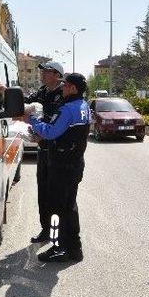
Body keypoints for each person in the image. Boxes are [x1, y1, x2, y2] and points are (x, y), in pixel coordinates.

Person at [0, 61, 65, 244]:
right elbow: (24, 102)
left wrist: (46, 135)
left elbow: (63, 126)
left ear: (57, 74)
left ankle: (59, 235)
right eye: (41, 71)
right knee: (43, 192)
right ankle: (46, 230)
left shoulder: (64, 94)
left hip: (58, 151)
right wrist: (6, 91)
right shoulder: (43, 91)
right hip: (43, 150)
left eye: (46, 71)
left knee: (56, 195)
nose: (42, 74)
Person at [26, 72, 90, 263]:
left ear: (73, 88)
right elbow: (66, 133)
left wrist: (31, 120)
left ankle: (58, 247)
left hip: (62, 166)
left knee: (56, 209)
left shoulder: (68, 109)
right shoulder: (83, 106)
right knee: (69, 207)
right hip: (74, 164)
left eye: (65, 85)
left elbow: (51, 131)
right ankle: (74, 249)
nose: (62, 88)